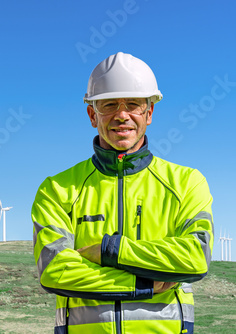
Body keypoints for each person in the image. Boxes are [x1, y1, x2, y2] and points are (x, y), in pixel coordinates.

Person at [31, 52, 213, 334]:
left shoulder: (186, 182)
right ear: (93, 115)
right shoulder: (57, 189)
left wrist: (109, 251)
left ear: (149, 113)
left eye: (133, 105)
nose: (122, 115)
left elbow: (195, 257)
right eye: (110, 105)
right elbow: (55, 270)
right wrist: (141, 284)